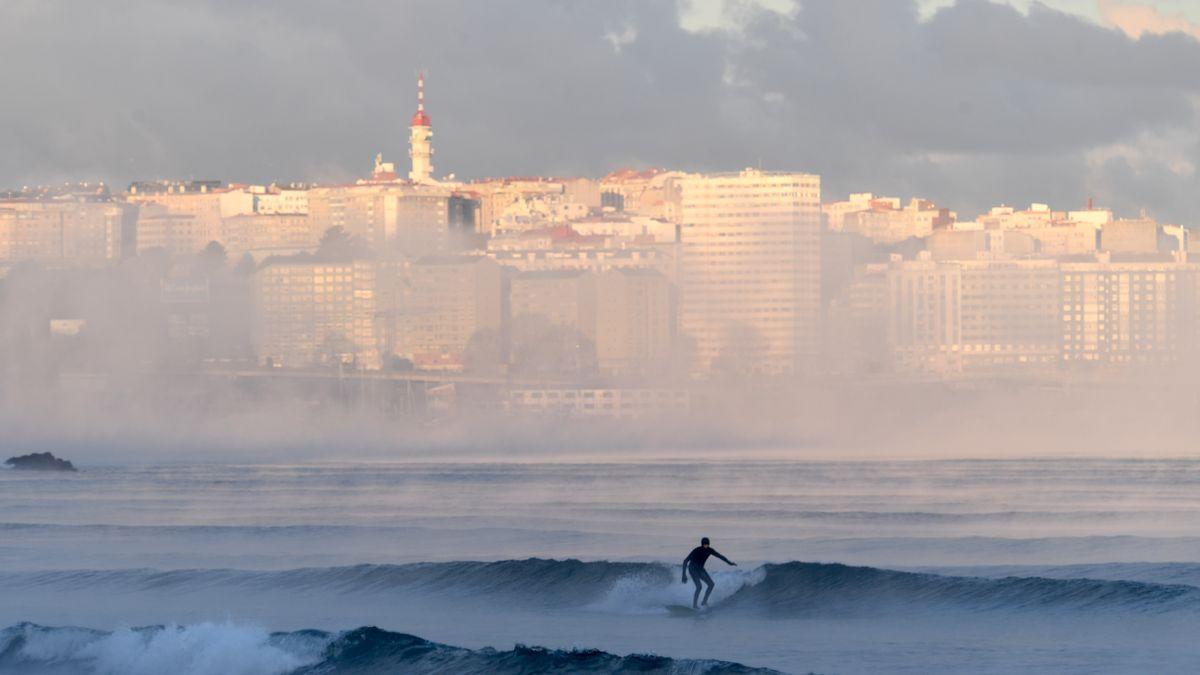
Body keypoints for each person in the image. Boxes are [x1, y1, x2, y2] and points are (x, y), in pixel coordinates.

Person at [681, 537, 736, 609]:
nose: (706, 546)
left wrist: (729, 563)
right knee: (699, 587)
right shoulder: (697, 550)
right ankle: (694, 605)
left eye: (707, 544)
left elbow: (720, 556)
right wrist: (684, 574)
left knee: (711, 584)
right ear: (702, 544)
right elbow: (685, 561)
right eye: (704, 544)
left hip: (700, 569)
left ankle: (704, 602)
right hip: (692, 569)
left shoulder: (710, 550)